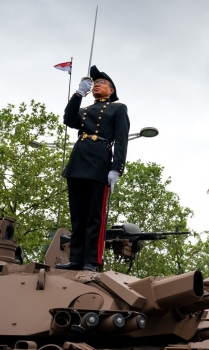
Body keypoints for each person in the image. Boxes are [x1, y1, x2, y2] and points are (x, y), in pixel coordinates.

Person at [55, 65, 130, 272]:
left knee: (94, 217)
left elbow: (122, 140)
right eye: (95, 83)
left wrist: (117, 168)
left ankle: (92, 260)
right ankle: (77, 259)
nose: (97, 85)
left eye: (102, 83)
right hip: (78, 163)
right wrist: (79, 93)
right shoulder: (85, 110)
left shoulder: (118, 108)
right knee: (77, 216)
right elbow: (68, 119)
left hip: (99, 163)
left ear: (111, 90)